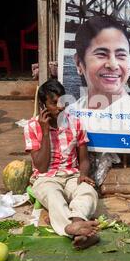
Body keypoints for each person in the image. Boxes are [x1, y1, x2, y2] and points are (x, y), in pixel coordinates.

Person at [23, 79, 100, 249]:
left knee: (88, 192)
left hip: (72, 175)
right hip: (46, 179)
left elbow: (84, 159)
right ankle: (73, 229)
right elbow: (41, 167)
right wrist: (44, 132)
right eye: (54, 103)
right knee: (54, 196)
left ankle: (78, 225)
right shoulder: (31, 126)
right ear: (43, 105)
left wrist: (83, 175)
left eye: (62, 101)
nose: (60, 107)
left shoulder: (76, 123)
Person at [69, 15, 130, 114]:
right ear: (78, 63)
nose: (113, 65)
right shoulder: (70, 114)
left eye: (121, 55)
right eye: (101, 54)